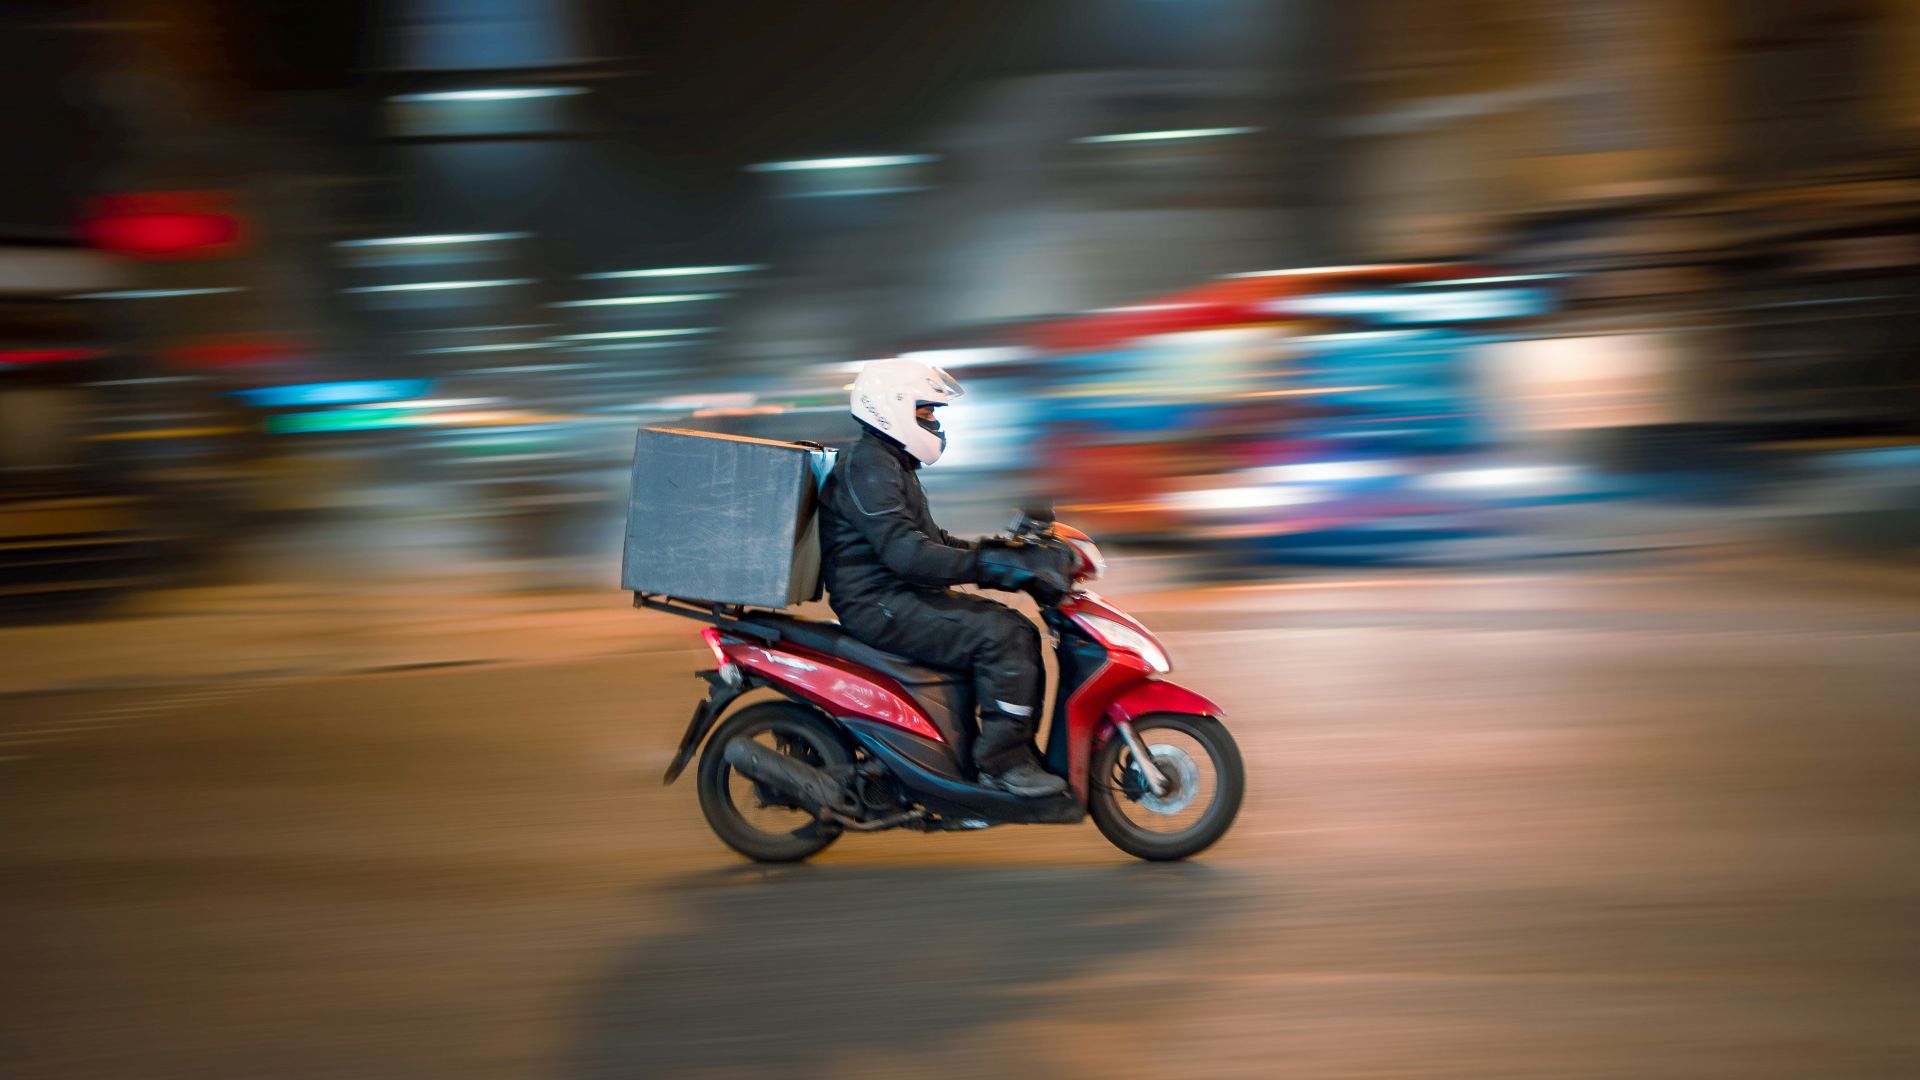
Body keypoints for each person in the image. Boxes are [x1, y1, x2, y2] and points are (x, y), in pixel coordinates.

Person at [817, 358, 1075, 797]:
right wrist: (994, 565)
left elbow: (932, 542)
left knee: (1008, 627)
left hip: (893, 596)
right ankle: (1002, 764)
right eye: (925, 411)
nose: (933, 422)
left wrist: (1006, 556)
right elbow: (910, 556)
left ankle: (980, 751)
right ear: (891, 406)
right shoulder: (871, 466)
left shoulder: (888, 462)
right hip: (879, 604)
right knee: (1005, 635)